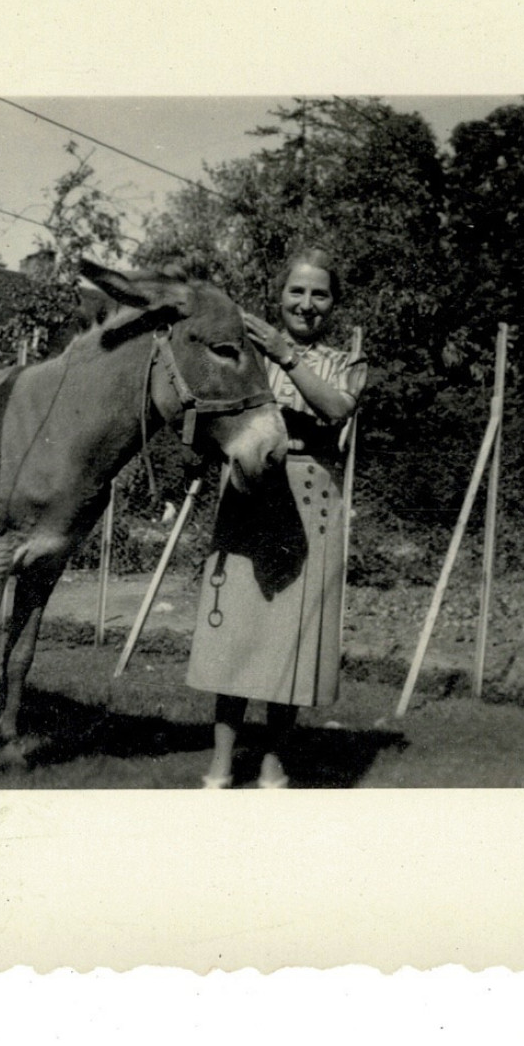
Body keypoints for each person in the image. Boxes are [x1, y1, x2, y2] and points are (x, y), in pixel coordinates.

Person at [186, 248, 367, 788]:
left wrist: (288, 356)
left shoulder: (345, 363)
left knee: (292, 638)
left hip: (311, 503)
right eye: (297, 291)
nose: (307, 304)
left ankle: (272, 764)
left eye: (320, 294)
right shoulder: (247, 359)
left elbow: (335, 410)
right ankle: (220, 766)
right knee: (235, 632)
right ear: (279, 295)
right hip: (249, 495)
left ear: (333, 303)